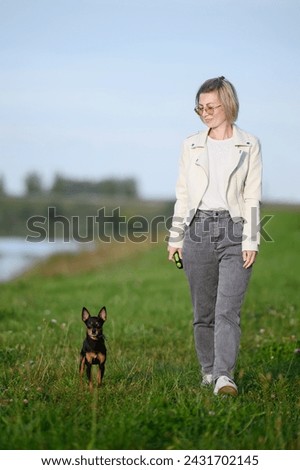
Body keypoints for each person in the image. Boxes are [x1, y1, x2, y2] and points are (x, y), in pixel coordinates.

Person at [168, 76, 262, 397]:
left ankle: (224, 376)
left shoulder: (249, 144)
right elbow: (183, 194)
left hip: (235, 231)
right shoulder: (190, 144)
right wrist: (175, 236)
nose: (205, 113)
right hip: (198, 230)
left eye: (210, 106)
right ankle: (208, 371)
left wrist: (251, 239)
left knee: (227, 310)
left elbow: (252, 195)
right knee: (204, 312)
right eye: (200, 108)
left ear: (228, 105)